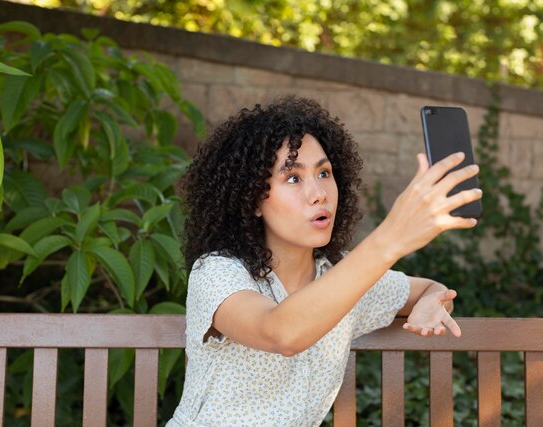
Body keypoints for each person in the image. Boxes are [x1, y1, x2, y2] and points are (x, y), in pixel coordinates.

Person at [167, 96, 482, 426]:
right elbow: (280, 332)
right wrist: (391, 238)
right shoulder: (217, 271)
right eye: (293, 178)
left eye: (324, 173)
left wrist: (434, 301)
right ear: (253, 200)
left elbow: (430, 289)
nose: (318, 193)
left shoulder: (340, 278)